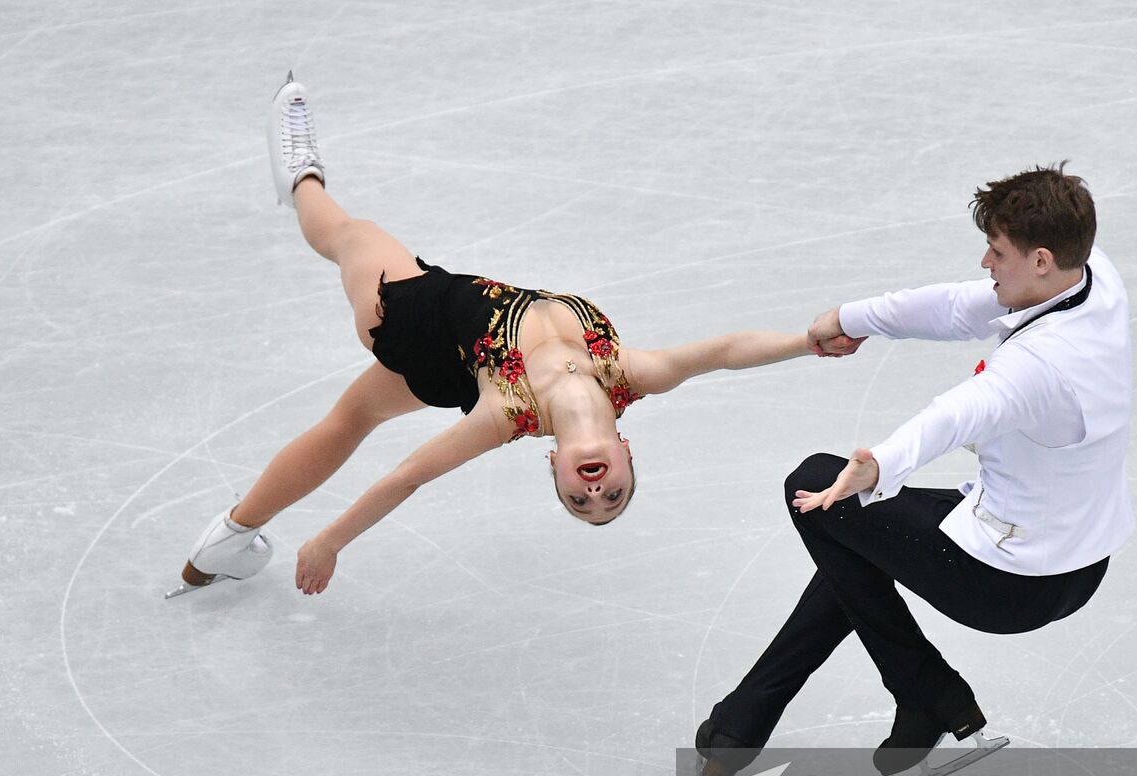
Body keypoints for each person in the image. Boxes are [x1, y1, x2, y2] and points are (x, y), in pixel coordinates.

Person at [168, 74, 825, 599]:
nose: (593, 489)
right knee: (350, 419)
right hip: (454, 336)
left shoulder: (509, 412)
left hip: (407, 314)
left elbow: (408, 477)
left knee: (348, 236)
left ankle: (300, 177)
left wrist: (331, 541)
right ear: (626, 455)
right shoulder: (627, 374)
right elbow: (727, 352)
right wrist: (811, 340)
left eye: (579, 499)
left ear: (554, 467)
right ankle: (228, 538)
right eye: (612, 493)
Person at [696, 163, 1134, 776]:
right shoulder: (1092, 276)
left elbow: (957, 413)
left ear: (1039, 260)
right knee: (858, 540)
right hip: (1083, 561)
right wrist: (852, 317)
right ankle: (743, 723)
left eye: (998, 251)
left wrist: (876, 466)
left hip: (1010, 581)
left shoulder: (1042, 365)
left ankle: (929, 693)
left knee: (816, 486)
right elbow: (960, 307)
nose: (986, 262)